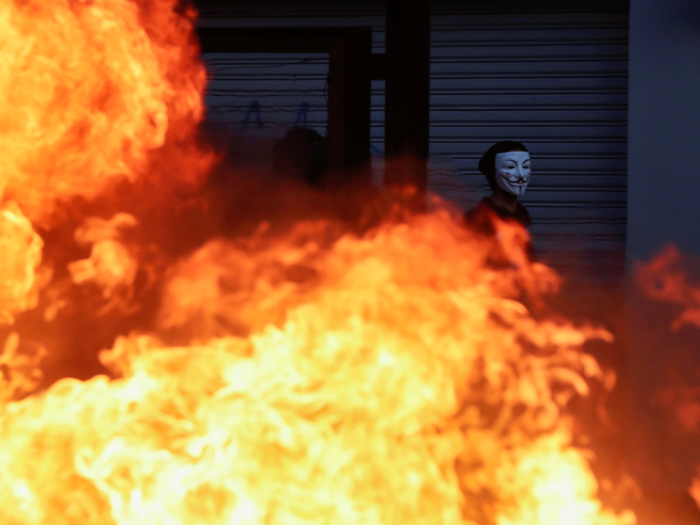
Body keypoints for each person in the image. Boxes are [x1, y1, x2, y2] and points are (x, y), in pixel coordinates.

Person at [465, 140, 531, 228]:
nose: (521, 174)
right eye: (510, 167)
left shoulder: (523, 215)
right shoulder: (477, 217)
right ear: (493, 171)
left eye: (525, 166)